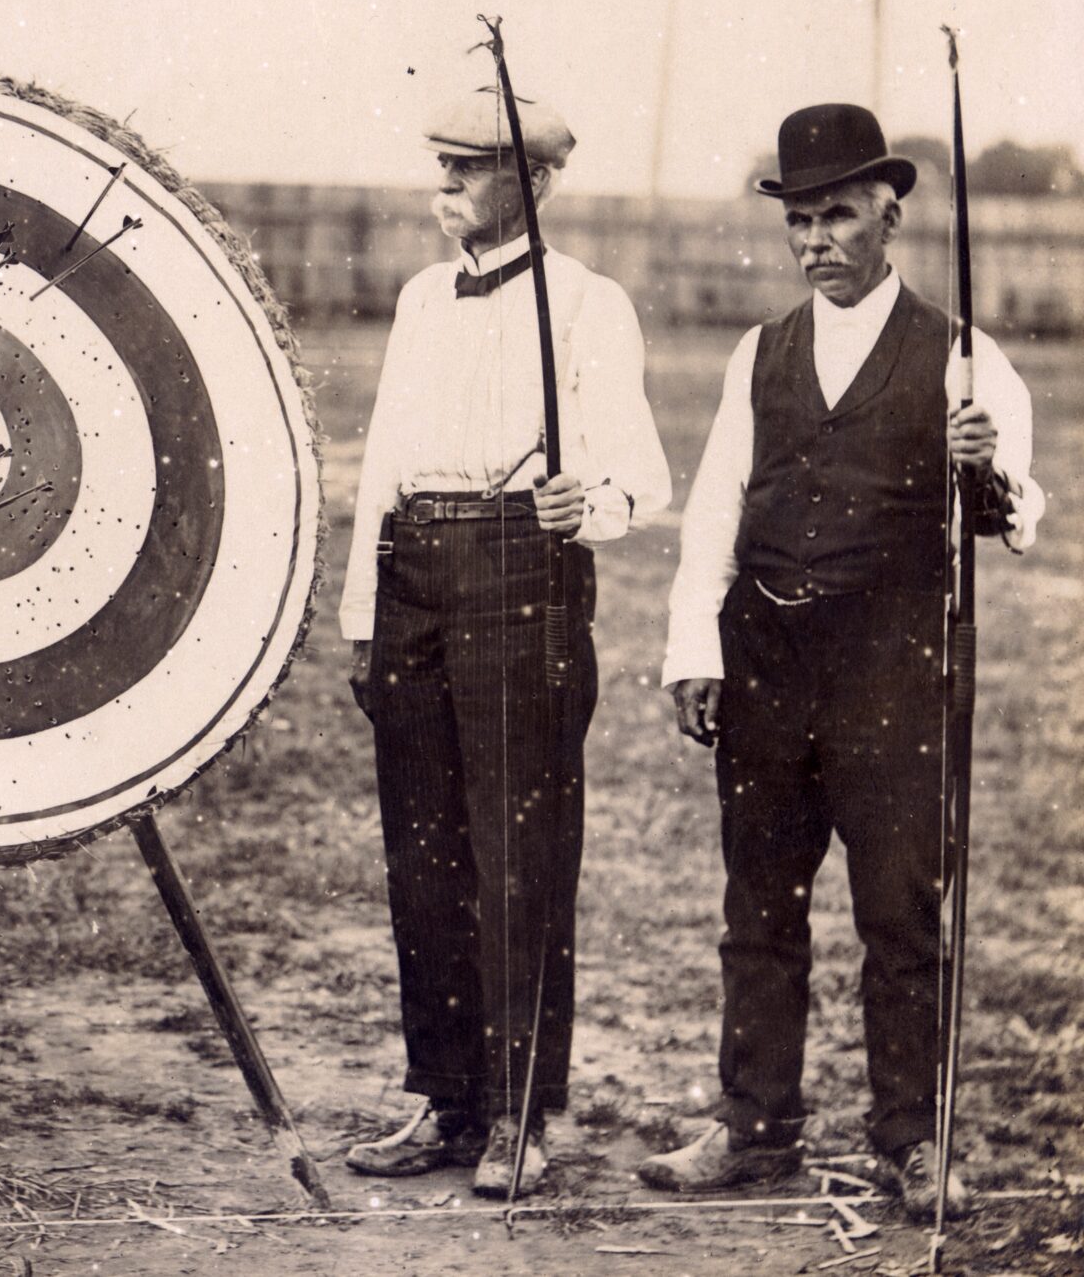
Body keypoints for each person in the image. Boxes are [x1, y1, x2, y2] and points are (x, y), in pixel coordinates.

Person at [643, 103, 1043, 1217]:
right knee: (757, 907)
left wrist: (982, 465)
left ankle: (911, 1138)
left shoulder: (963, 356)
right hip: (766, 658)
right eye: (800, 220)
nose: (816, 240)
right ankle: (754, 1124)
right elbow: (716, 507)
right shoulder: (757, 352)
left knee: (898, 914)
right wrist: (694, 646)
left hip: (892, 668)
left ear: (889, 217)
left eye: (839, 217)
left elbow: (1018, 517)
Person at [338, 84, 671, 1199]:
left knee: (517, 856)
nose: (444, 182)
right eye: (440, 161)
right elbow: (383, 464)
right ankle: (447, 1099)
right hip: (412, 578)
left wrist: (592, 503)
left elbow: (642, 474)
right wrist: (362, 617)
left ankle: (521, 1112)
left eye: (469, 165)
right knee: (422, 854)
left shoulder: (586, 303)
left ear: (536, 181)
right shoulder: (418, 299)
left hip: (521, 574)